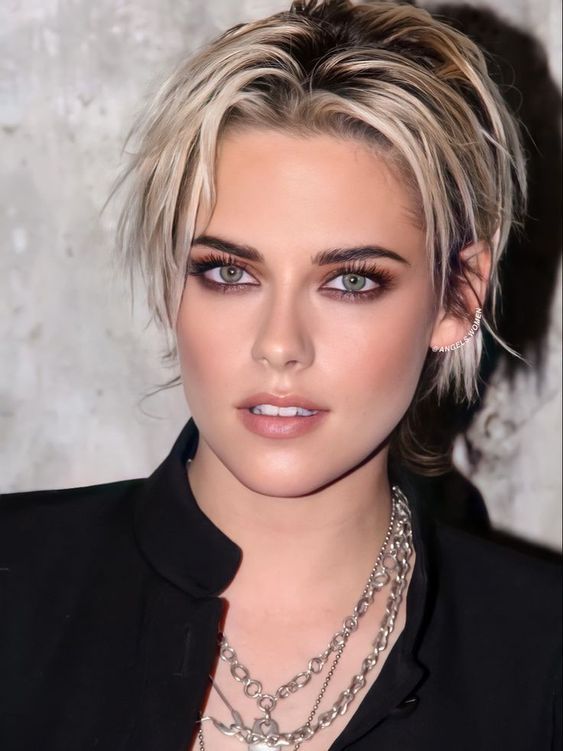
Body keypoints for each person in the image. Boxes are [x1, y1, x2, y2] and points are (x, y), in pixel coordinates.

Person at [0, 1, 561, 750]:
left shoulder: (540, 654)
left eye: (350, 281)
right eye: (228, 272)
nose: (279, 345)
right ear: (173, 285)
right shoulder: (16, 587)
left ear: (457, 295)